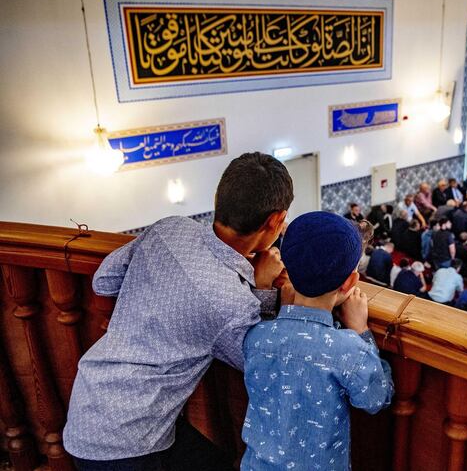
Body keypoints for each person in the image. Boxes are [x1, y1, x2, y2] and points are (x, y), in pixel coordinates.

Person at [64, 152, 294, 469]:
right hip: (128, 442)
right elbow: (261, 362)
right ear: (275, 221)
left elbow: (104, 282)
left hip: (87, 403)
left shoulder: (169, 229)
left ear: (220, 197)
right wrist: (264, 288)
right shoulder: (231, 303)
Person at [241, 211, 393, 470]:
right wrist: (360, 330)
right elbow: (377, 397)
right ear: (350, 283)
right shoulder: (347, 351)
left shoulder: (256, 336)